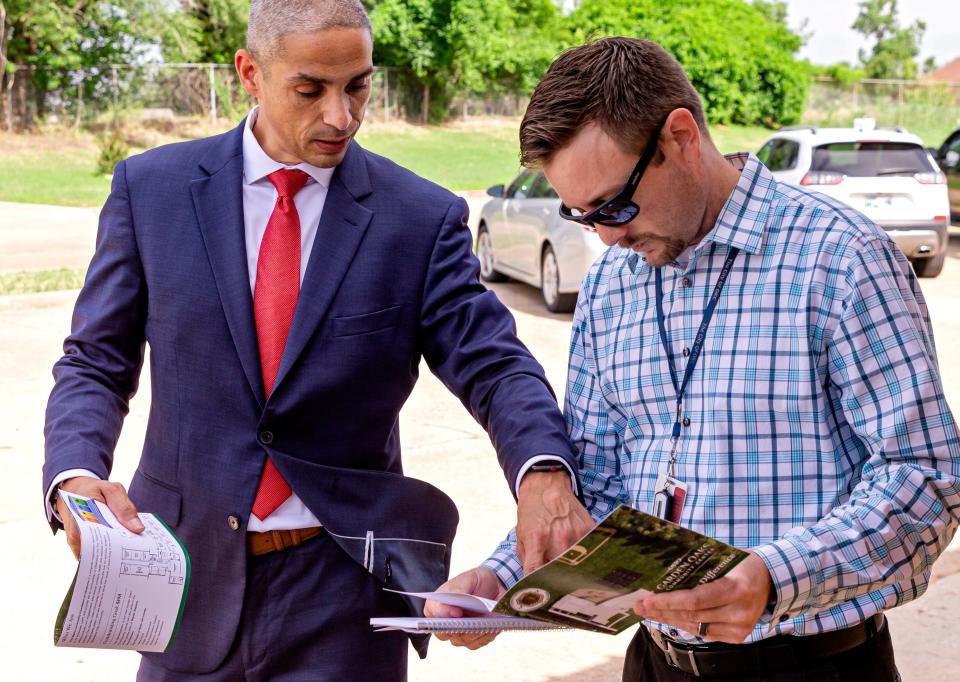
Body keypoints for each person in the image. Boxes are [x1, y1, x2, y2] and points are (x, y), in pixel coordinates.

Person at [41, 1, 593, 679]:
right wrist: (73, 475)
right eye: (311, 90)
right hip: (184, 581)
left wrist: (542, 470)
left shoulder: (420, 219)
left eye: (358, 85)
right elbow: (95, 362)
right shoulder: (150, 191)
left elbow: (498, 367)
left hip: (344, 595)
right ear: (250, 72)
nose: (341, 115)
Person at [428, 37, 960, 681]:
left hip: (811, 665)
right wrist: (503, 578)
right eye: (582, 214)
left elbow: (927, 479)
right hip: (654, 662)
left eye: (615, 206)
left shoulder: (840, 258)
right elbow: (595, 481)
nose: (607, 236)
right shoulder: (609, 284)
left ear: (680, 135)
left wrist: (773, 579)